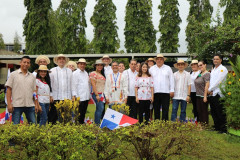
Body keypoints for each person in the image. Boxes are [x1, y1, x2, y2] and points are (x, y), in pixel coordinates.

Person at [5, 56, 40, 124]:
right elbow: (9, 90)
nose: (26, 64)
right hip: (17, 105)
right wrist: (9, 104)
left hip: (30, 105)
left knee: (33, 125)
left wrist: (36, 104)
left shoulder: (32, 76)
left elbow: (34, 91)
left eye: (28, 63)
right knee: (15, 126)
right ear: (20, 63)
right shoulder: (13, 75)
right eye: (24, 62)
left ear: (30, 64)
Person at [49, 54, 73, 124]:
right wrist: (51, 95)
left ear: (65, 61)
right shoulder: (52, 70)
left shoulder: (69, 71)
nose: (61, 60)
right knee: (54, 116)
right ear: (57, 60)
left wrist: (72, 96)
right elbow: (50, 84)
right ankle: (53, 131)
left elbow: (72, 84)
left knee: (66, 117)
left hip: (67, 97)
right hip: (56, 97)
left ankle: (65, 131)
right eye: (60, 59)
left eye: (63, 59)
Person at [149, 54, 174, 120]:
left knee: (165, 109)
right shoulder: (151, 69)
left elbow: (171, 79)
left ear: (163, 60)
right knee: (156, 108)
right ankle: (157, 122)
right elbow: (149, 80)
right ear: (156, 60)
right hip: (155, 92)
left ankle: (164, 123)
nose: (159, 60)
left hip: (165, 92)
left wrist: (172, 90)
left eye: (161, 59)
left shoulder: (168, 68)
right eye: (158, 59)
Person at [208, 54, 228, 133]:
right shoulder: (213, 69)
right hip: (212, 93)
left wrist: (210, 89)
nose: (215, 60)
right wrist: (211, 90)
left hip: (219, 93)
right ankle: (217, 127)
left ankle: (223, 129)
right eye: (214, 59)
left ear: (221, 60)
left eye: (217, 59)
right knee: (214, 111)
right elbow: (212, 81)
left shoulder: (223, 69)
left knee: (220, 112)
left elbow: (219, 81)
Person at [72, 58, 91, 124]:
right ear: (78, 65)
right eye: (81, 64)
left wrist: (89, 96)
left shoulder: (86, 73)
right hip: (79, 97)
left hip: (86, 97)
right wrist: (76, 97)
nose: (82, 65)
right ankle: (77, 126)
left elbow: (87, 85)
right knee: (78, 114)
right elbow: (73, 86)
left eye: (84, 64)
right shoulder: (75, 73)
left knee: (83, 113)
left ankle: (81, 126)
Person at [89, 59, 106, 125]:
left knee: (100, 109)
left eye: (101, 65)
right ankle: (97, 124)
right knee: (100, 108)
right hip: (97, 93)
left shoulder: (102, 74)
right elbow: (93, 84)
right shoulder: (93, 73)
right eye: (98, 65)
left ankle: (97, 123)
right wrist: (96, 95)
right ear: (95, 66)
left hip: (102, 94)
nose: (99, 66)